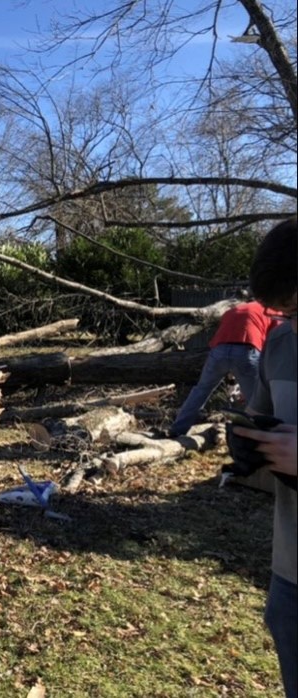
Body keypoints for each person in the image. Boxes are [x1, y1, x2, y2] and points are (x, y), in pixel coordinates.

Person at [226, 216, 297, 698]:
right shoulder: (281, 339)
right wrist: (248, 440)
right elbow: (263, 413)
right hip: (290, 571)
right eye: (288, 312)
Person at [168, 296, 279, 437]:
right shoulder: (273, 310)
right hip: (246, 350)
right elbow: (277, 341)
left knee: (201, 390)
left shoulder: (236, 309)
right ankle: (265, 436)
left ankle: (177, 429)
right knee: (258, 400)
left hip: (218, 351)